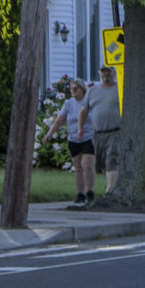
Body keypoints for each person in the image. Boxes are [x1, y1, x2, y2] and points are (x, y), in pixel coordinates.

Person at [44, 80, 94, 206]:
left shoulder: (89, 102)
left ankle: (89, 192)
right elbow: (60, 121)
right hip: (73, 139)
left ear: (82, 89)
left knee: (86, 164)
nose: (73, 91)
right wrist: (49, 134)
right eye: (71, 89)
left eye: (75, 88)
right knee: (78, 168)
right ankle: (80, 194)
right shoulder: (68, 104)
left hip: (88, 137)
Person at [81, 65, 123, 201]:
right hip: (97, 133)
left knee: (112, 159)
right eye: (103, 71)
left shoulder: (120, 88)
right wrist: (80, 128)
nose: (106, 74)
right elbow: (84, 110)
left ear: (114, 73)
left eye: (109, 71)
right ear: (100, 73)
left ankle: (110, 191)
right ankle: (114, 187)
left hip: (115, 131)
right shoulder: (92, 91)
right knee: (102, 163)